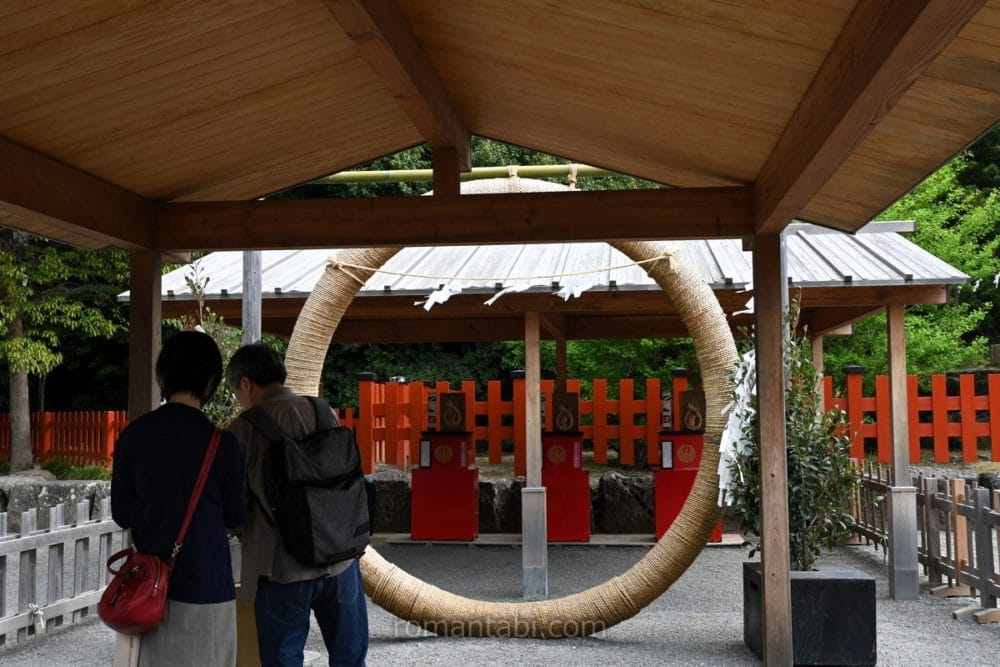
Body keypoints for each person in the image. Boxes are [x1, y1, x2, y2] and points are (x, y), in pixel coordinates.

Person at [225, 343, 369, 667]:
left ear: (246, 383)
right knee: (350, 658)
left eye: (236, 392)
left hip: (281, 570)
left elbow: (234, 507)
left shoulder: (243, 430)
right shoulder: (322, 411)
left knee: (283, 660)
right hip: (340, 560)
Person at [111, 330, 245, 666]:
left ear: (163, 374)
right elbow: (236, 516)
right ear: (211, 381)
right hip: (207, 585)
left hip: (146, 589)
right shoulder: (223, 444)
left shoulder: (134, 436)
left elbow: (121, 514)